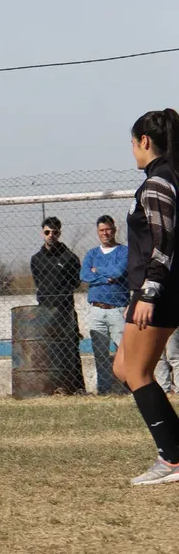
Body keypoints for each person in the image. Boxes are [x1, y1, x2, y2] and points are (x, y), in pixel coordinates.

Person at [111, 108, 179, 485]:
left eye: (133, 144)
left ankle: (171, 459)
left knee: (136, 372)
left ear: (145, 142)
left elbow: (163, 241)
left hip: (158, 291)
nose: (133, 151)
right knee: (123, 368)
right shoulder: (167, 177)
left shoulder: (158, 182)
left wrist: (150, 291)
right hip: (154, 289)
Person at [30, 217, 85, 394]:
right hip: (45, 312)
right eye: (47, 232)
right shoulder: (36, 259)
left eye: (55, 232)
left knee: (70, 349)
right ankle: (52, 388)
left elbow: (75, 282)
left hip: (65, 311)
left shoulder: (69, 257)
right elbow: (39, 282)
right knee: (48, 350)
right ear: (42, 233)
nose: (51, 235)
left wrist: (61, 296)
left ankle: (77, 387)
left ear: (59, 233)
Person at [80, 215, 129, 395]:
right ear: (98, 232)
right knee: (100, 353)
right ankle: (104, 389)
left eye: (108, 229)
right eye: (102, 230)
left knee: (123, 352)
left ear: (114, 230)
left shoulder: (124, 251)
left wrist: (97, 271)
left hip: (118, 309)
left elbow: (118, 271)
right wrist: (105, 277)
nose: (105, 233)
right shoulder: (92, 253)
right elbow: (84, 275)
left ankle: (127, 387)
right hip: (96, 310)